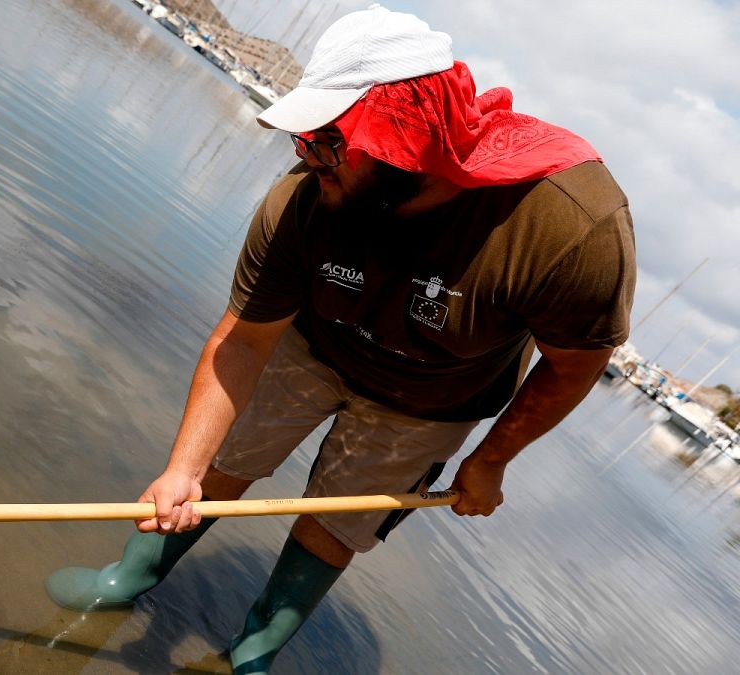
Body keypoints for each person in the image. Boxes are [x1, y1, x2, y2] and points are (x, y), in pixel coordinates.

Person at [46, 4, 636, 672]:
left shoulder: (572, 223)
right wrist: (181, 468)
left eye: (326, 140)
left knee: (338, 517)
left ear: (405, 139)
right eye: (303, 139)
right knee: (221, 459)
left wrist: (493, 458)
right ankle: (129, 579)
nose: (305, 157)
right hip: (315, 341)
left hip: (434, 395)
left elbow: (574, 366)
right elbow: (241, 342)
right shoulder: (305, 197)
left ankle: (254, 647)